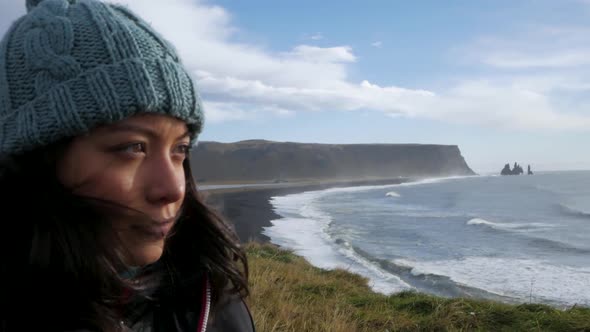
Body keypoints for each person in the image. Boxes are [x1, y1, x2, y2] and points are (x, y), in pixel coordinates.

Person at [0, 0, 255, 331]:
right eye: (133, 147)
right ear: (37, 162)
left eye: (180, 148)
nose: (174, 189)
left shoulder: (212, 298)